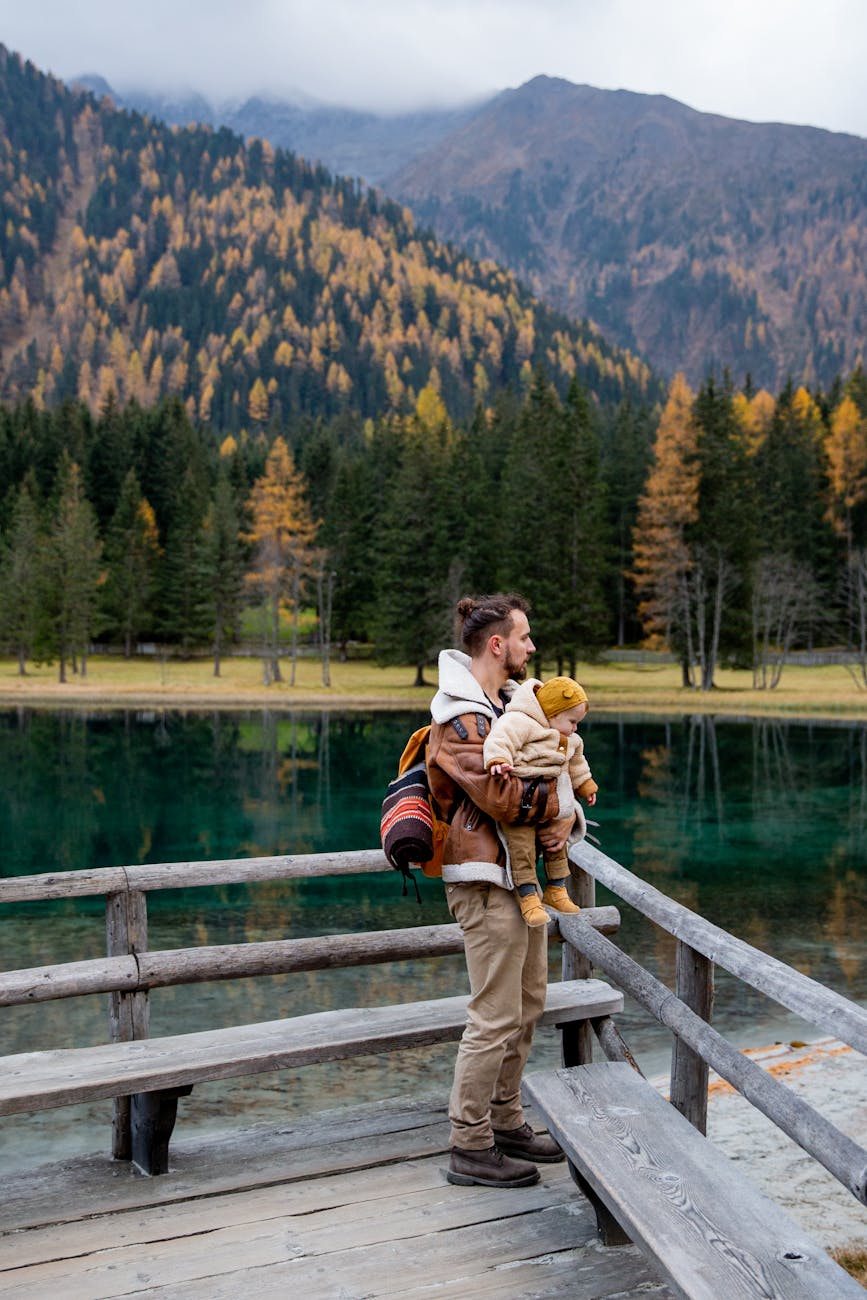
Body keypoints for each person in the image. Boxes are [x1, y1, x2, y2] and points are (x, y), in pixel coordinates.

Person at [426, 593, 574, 1189]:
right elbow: (503, 798)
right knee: (493, 1015)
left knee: (529, 1002)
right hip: (484, 881)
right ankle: (469, 1142)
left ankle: (507, 1119)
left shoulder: (511, 706)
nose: (531, 648)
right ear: (497, 644)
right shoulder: (460, 717)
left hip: (523, 880)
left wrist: (558, 795)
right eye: (524, 637)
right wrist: (559, 804)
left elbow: (547, 768)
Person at [483, 675, 598, 927]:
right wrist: (499, 761)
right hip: (521, 801)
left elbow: (578, 764)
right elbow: (500, 739)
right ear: (553, 713)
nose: (575, 728)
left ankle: (556, 890)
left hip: (552, 803)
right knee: (521, 847)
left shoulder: (570, 739)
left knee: (557, 847)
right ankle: (528, 897)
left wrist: (586, 785)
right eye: (572, 721)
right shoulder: (520, 722)